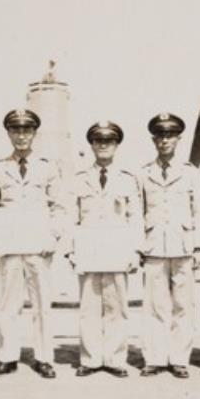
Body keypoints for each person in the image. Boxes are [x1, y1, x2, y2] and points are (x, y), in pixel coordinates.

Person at [0, 108, 65, 378]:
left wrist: (52, 237)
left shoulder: (47, 167)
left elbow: (59, 206)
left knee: (42, 304)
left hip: (38, 246)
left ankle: (43, 357)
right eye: (16, 130)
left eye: (26, 130)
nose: (21, 136)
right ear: (8, 133)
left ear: (34, 134)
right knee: (9, 304)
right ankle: (7, 357)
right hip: (9, 246)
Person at [138, 113, 200, 378]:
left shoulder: (191, 173)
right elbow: (138, 211)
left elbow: (199, 211)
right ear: (153, 140)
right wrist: (139, 247)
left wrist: (199, 247)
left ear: (179, 139)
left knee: (183, 305)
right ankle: (155, 358)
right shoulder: (144, 173)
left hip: (184, 245)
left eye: (170, 136)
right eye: (160, 136)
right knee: (155, 305)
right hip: (154, 246)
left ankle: (179, 359)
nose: (165, 141)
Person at [71, 121, 142, 377]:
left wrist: (136, 251)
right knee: (89, 307)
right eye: (98, 141)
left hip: (117, 251)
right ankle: (90, 359)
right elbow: (71, 216)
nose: (103, 145)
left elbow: (135, 217)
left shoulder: (127, 179)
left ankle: (114, 359)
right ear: (91, 144)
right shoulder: (79, 178)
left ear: (116, 145)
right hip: (88, 251)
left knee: (117, 307)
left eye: (109, 141)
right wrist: (71, 250)